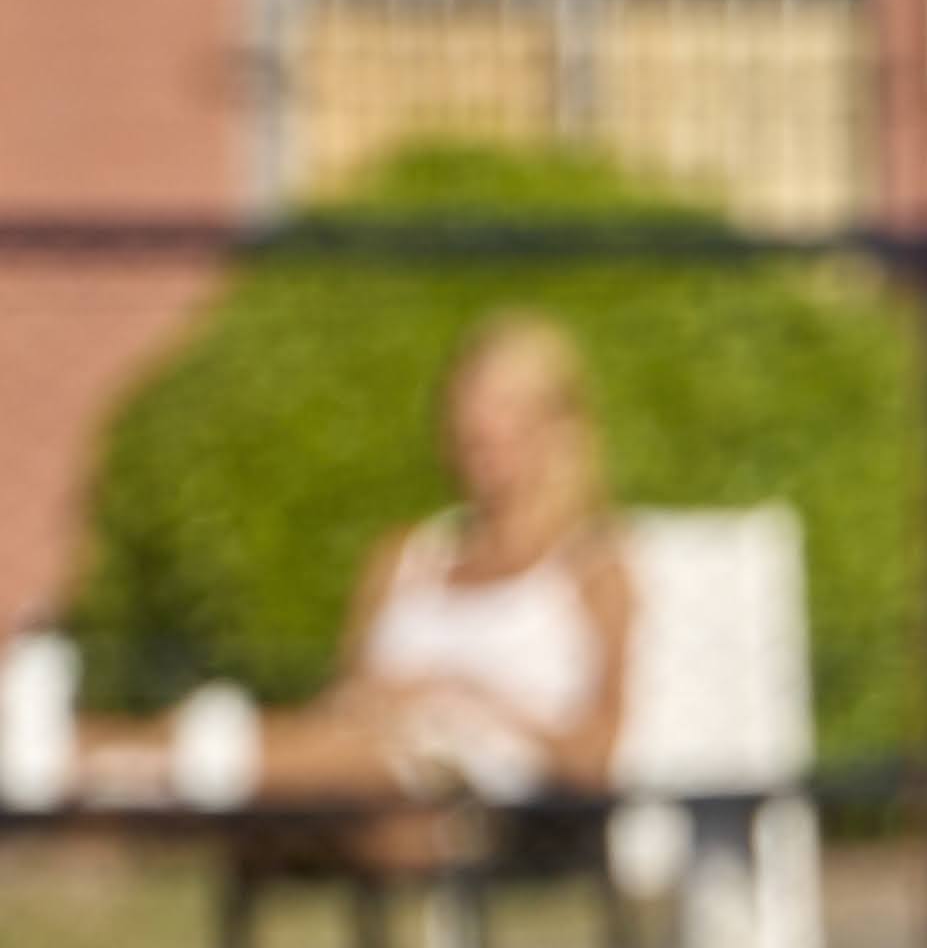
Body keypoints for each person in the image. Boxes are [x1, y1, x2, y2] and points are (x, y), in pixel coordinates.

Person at [97, 311, 634, 831]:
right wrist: (377, 699)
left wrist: (469, 698)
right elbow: (339, 705)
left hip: (480, 798)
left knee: (359, 766)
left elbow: (597, 757)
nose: (481, 426)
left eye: (505, 408)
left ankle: (156, 769)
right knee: (327, 751)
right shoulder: (406, 554)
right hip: (362, 760)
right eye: (469, 408)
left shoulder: (593, 569)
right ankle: (129, 759)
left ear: (557, 424)